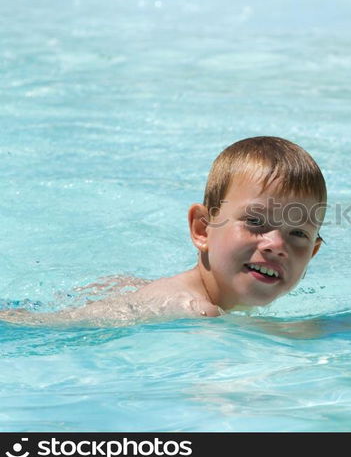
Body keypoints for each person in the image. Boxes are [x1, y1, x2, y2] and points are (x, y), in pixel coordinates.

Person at [0, 136, 326, 327]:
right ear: (202, 229)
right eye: (255, 222)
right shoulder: (197, 312)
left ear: (313, 253)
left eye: (298, 234)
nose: (277, 245)